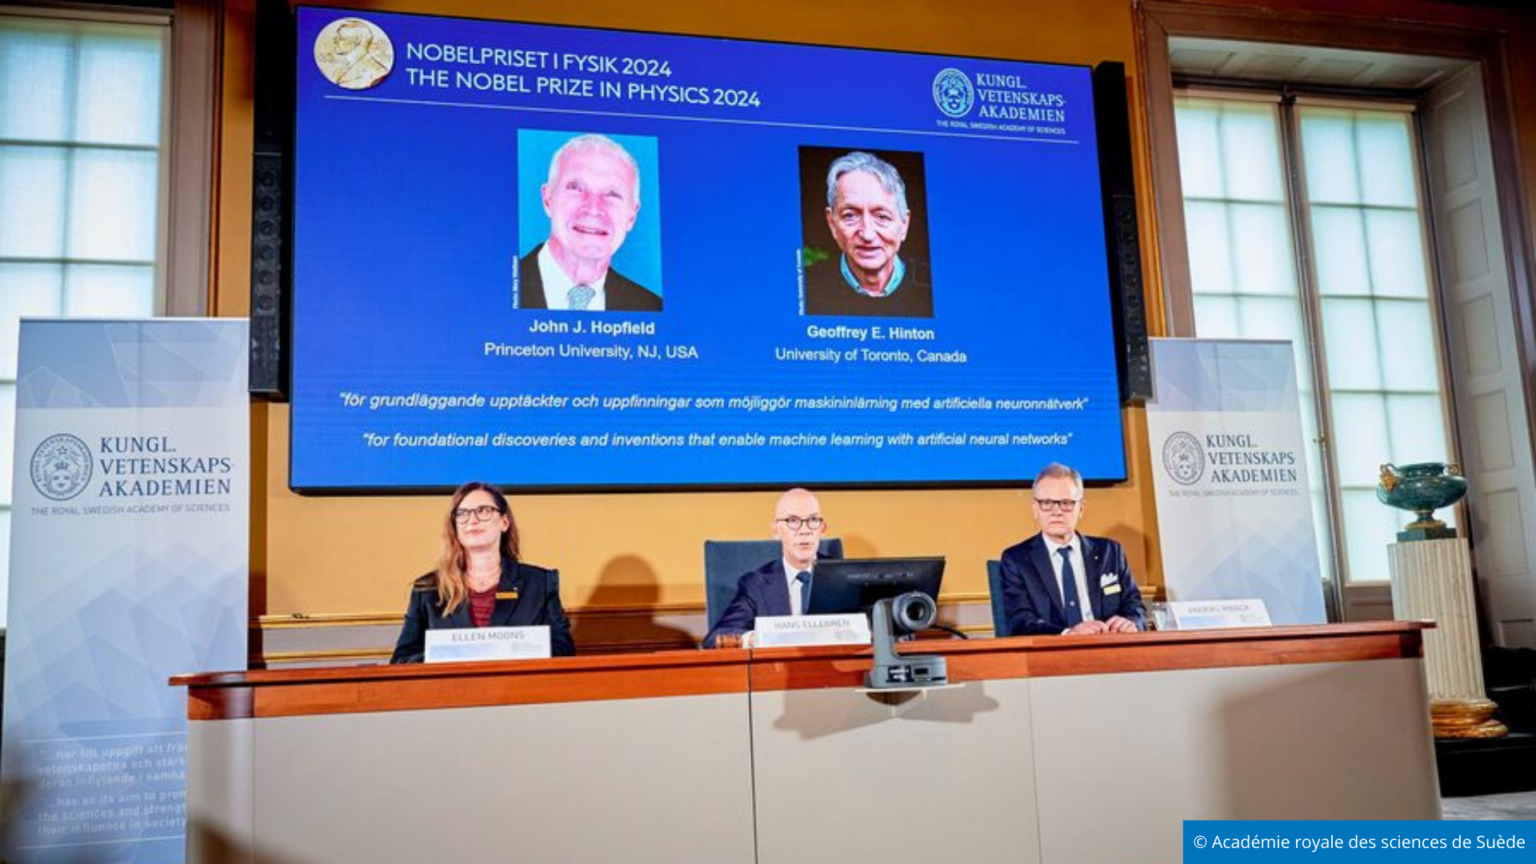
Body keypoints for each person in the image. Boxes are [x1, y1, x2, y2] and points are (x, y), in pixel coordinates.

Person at [391, 481, 575, 663]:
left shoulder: (540, 583)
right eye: (462, 513)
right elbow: (402, 660)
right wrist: (446, 656)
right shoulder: (427, 589)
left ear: (504, 522)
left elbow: (563, 653)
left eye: (484, 511)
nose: (472, 520)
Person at [518, 133, 662, 312]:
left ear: (632, 215)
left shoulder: (651, 308)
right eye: (576, 188)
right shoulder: (497, 288)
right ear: (548, 199)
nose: (593, 208)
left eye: (612, 194)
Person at [998, 463, 1146, 636]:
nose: (1057, 511)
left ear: (1081, 508)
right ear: (1035, 509)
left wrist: (1131, 622)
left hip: (1108, 645)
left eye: (1066, 503)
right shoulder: (1016, 559)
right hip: (1051, 649)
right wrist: (1068, 633)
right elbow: (1020, 621)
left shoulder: (1110, 551)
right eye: (1047, 503)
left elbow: (1134, 605)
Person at [804, 151, 932, 318]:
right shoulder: (805, 288)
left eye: (882, 217)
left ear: (904, 224)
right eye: (850, 215)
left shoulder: (934, 286)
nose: (867, 234)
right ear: (832, 223)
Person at [703, 488, 831, 648]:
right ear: (776, 530)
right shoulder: (756, 585)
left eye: (813, 520)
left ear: (822, 529)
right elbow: (715, 639)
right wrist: (757, 638)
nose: (804, 530)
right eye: (793, 521)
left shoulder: (844, 577)